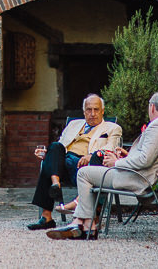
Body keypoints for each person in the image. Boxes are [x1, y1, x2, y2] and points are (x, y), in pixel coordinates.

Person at [47, 91, 158, 240]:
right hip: (141, 174)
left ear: (153, 107)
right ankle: (84, 225)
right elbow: (148, 157)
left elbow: (145, 160)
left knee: (84, 173)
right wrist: (127, 156)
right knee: (91, 170)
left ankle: (83, 224)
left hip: (138, 179)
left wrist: (116, 162)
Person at [26, 94, 122, 230]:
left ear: (102, 111)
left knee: (97, 157)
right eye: (89, 110)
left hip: (88, 166)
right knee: (54, 147)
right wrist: (47, 156)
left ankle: (78, 204)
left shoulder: (113, 128)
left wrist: (90, 155)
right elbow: (61, 145)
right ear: (84, 112)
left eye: (96, 109)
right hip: (65, 163)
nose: (93, 114)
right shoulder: (73, 124)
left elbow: (111, 148)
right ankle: (48, 210)